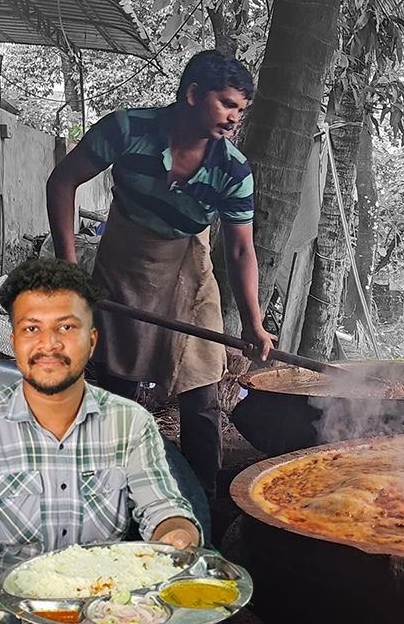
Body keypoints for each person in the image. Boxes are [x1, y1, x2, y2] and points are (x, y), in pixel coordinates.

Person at [46, 49, 275, 498]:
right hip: (124, 259)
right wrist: (68, 267)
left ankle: (202, 500)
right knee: (119, 384)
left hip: (188, 268)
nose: (233, 119)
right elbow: (62, 182)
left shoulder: (233, 170)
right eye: (227, 103)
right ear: (192, 94)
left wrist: (253, 322)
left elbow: (241, 247)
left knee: (200, 390)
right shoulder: (127, 129)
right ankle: (110, 492)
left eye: (240, 110)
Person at [0, 259, 202, 605]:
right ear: (13, 341)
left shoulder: (130, 423)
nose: (50, 345)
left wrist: (178, 534)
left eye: (66, 328)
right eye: (32, 329)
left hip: (111, 614)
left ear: (91, 342)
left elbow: (164, 508)